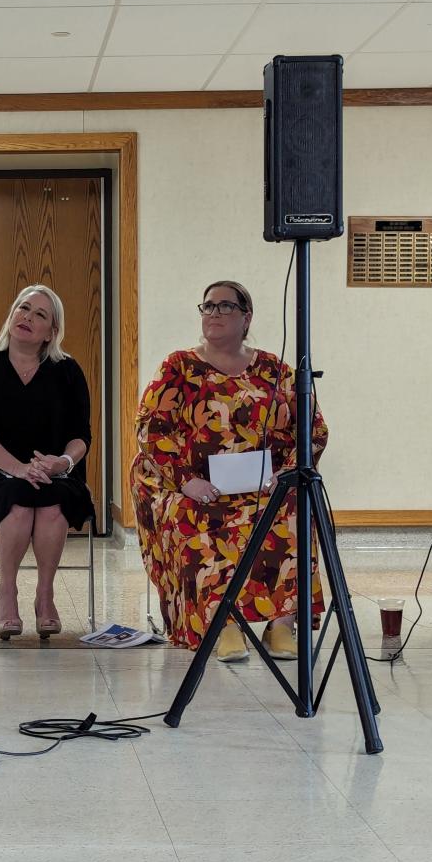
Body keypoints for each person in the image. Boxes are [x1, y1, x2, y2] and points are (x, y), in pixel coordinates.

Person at [131, 279, 328, 662]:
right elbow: (150, 430)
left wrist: (283, 475)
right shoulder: (179, 366)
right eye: (208, 306)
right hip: (193, 483)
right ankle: (221, 624)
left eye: (225, 306)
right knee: (197, 518)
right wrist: (187, 481)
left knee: (292, 512)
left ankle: (282, 625)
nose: (214, 314)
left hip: (260, 484)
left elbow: (312, 429)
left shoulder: (275, 369)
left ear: (246, 317)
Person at [0, 285, 94, 641]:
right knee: (18, 499)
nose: (27, 318)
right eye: (23, 308)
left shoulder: (68, 371)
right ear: (12, 315)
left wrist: (62, 462)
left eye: (40, 314)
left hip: (56, 473)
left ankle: (45, 595)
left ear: (51, 331)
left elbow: (82, 436)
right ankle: (7, 593)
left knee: (52, 503)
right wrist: (18, 468)